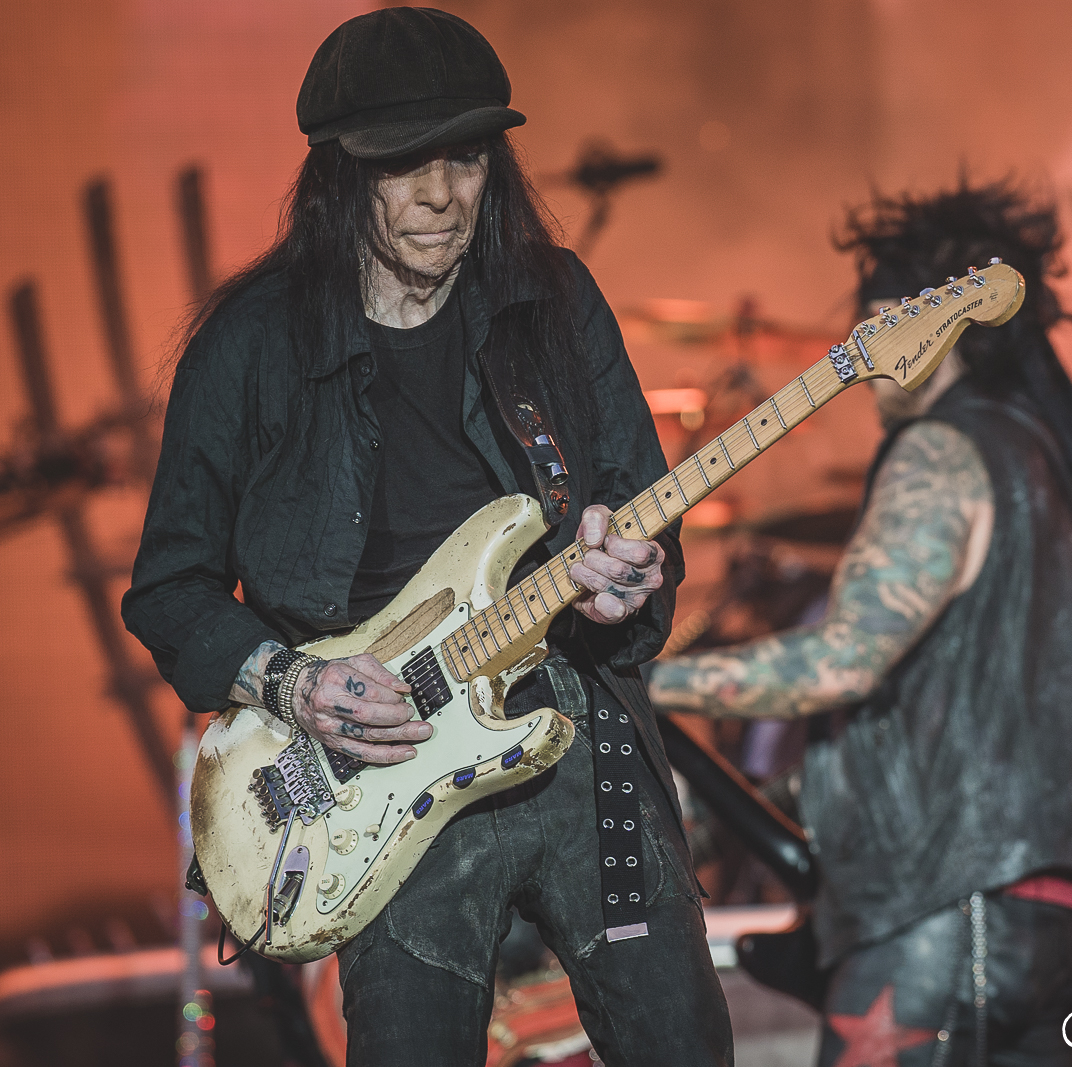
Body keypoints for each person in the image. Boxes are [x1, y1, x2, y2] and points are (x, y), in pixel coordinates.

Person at [120, 10, 731, 1066]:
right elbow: (168, 588)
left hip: (574, 726)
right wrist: (292, 684)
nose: (441, 196)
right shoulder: (249, 345)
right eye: (404, 166)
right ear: (338, 176)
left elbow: (642, 521)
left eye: (466, 158)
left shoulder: (556, 298)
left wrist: (632, 579)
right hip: (380, 772)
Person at [650, 181, 1072, 1067]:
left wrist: (645, 679)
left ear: (916, 319)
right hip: (1060, 906)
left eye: (869, 323)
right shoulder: (1052, 469)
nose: (859, 356)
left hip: (950, 901)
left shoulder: (944, 449)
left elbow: (844, 660)